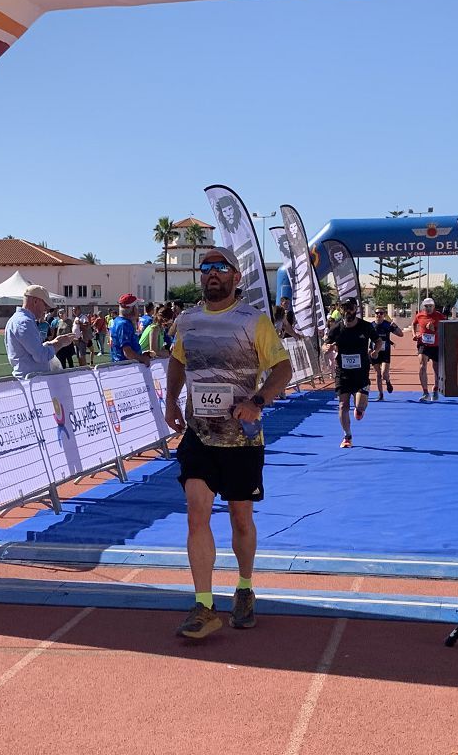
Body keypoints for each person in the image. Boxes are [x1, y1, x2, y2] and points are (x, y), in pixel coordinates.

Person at [165, 247, 292, 639]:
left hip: (241, 439)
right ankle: (203, 604)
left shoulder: (253, 321)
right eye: (206, 268)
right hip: (200, 435)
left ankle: (244, 587)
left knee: (241, 518)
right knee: (196, 511)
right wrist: (171, 400)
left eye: (220, 268)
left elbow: (282, 368)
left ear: (236, 277)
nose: (212, 274)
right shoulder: (187, 321)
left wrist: (258, 402)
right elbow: (177, 361)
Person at [323, 298, 382, 448]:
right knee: (343, 405)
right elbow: (326, 344)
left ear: (356, 308)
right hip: (342, 373)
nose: (347, 311)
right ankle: (347, 436)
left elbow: (378, 340)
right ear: (341, 310)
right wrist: (327, 348)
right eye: (344, 308)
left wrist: (375, 351)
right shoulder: (336, 328)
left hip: (361, 373)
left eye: (350, 308)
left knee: (360, 407)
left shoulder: (366, 326)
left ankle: (359, 409)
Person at [5, 286, 74, 379]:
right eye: (45, 305)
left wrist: (52, 343)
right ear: (35, 301)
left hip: (31, 380)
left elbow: (32, 351)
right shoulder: (25, 322)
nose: (46, 309)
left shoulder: (18, 320)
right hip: (32, 381)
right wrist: (59, 343)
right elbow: (40, 356)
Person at [412, 297, 445, 401]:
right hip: (423, 344)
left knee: (436, 369)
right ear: (423, 307)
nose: (429, 308)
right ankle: (425, 392)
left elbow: (445, 329)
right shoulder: (419, 315)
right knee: (422, 366)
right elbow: (413, 324)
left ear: (433, 307)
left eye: (430, 306)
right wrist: (414, 334)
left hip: (436, 345)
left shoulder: (439, 316)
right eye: (426, 306)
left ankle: (435, 389)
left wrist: (434, 329)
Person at [370, 307, 403, 401]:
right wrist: (369, 349)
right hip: (374, 352)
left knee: (384, 373)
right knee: (378, 374)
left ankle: (388, 381)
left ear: (384, 315)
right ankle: (380, 394)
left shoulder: (387, 325)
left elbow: (401, 334)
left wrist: (395, 326)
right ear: (374, 314)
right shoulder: (371, 325)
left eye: (381, 313)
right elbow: (366, 338)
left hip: (385, 352)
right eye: (377, 313)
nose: (379, 315)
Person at [109, 294, 150, 366]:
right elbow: (127, 352)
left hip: (122, 365)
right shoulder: (124, 324)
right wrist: (142, 358)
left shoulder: (117, 321)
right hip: (126, 367)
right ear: (133, 309)